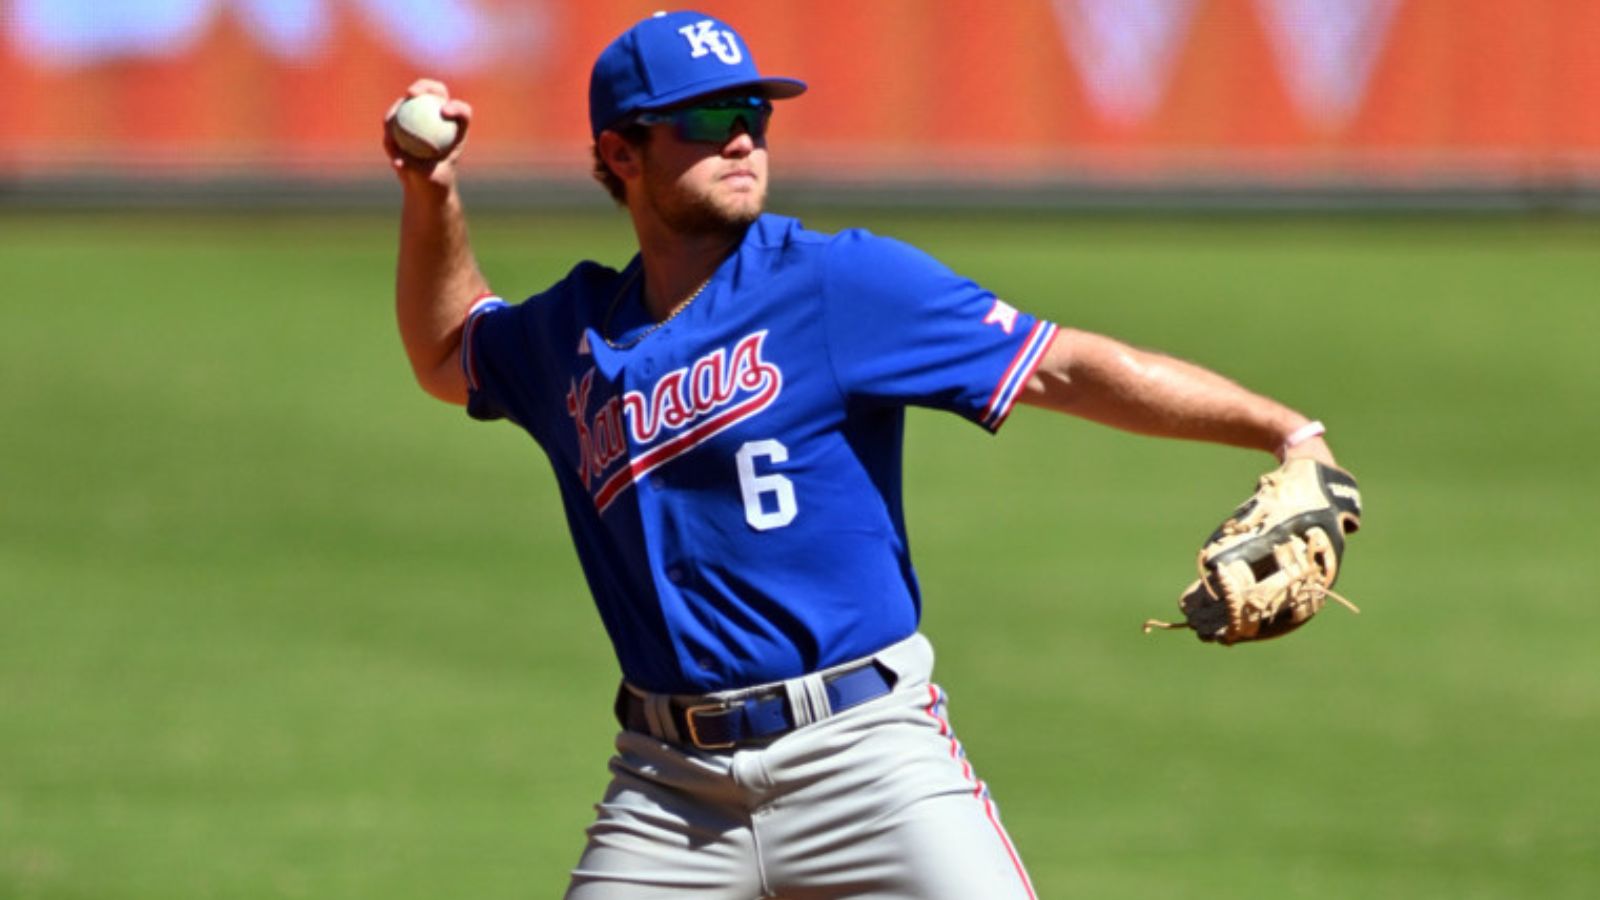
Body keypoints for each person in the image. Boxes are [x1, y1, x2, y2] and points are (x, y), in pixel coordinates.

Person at [385, 10, 1342, 899]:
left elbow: (1064, 366)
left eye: (754, 111)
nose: (742, 137)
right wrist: (429, 188)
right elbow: (446, 349)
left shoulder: (839, 282)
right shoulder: (573, 335)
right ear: (618, 152)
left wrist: (1285, 431)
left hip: (866, 758)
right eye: (707, 117)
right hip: (666, 794)